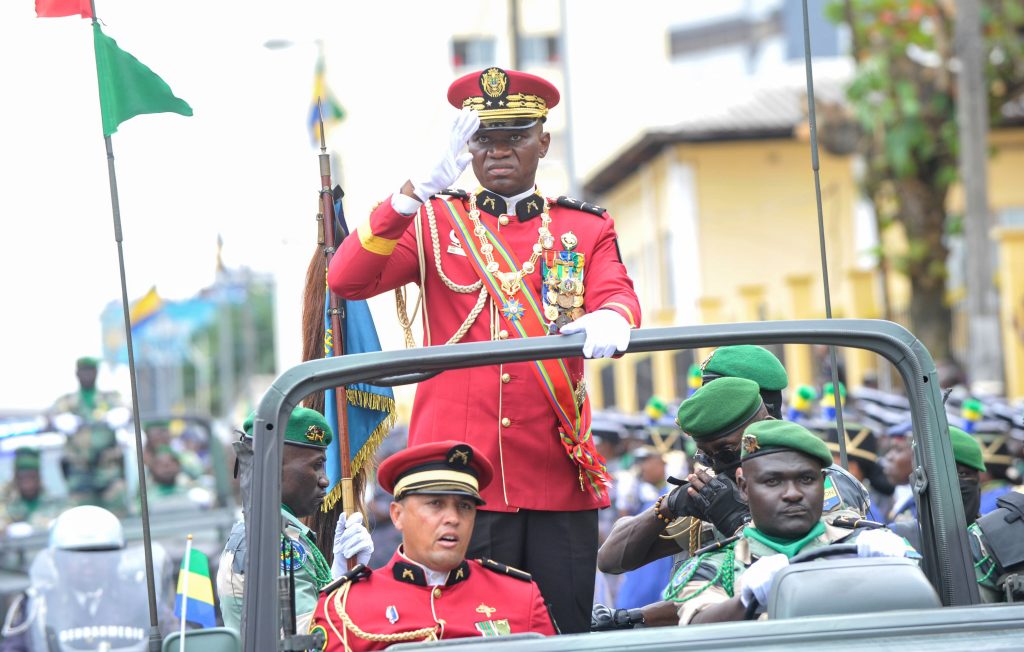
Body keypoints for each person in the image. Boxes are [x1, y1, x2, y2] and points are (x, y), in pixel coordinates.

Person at [327, 66, 641, 633]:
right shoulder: (432, 221)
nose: (498, 152)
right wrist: (410, 193)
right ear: (466, 147)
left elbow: (616, 292)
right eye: (483, 140)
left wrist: (613, 316)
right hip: (458, 481)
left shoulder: (582, 228)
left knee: (565, 632)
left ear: (543, 141)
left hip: (554, 475)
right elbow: (347, 278)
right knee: (460, 633)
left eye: (515, 137)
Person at [593, 377, 874, 629]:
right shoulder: (719, 488)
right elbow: (612, 560)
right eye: (707, 456)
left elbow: (807, 574)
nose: (718, 466)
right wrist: (668, 506)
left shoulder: (821, 482)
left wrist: (737, 522)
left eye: (727, 453)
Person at [311, 440, 557, 649]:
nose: (452, 518)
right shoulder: (347, 606)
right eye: (436, 504)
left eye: (465, 506)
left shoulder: (520, 597)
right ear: (397, 515)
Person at [668, 420, 917, 625]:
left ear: (822, 482)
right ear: (744, 487)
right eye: (773, 481)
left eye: (806, 479)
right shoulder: (716, 568)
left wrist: (901, 572)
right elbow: (697, 627)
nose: (793, 493)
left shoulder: (863, 548)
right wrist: (745, 600)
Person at [217, 407, 374, 633]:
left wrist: (340, 574)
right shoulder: (271, 540)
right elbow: (314, 636)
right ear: (272, 467)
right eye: (316, 465)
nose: (325, 480)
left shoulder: (276, 531)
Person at [1, 505, 177, 651]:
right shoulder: (39, 604)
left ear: (117, 558)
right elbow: (13, 648)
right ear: (56, 560)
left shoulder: (141, 599)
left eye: (99, 553)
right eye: (76, 555)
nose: (87, 563)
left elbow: (178, 640)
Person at [0, 447, 63, 535]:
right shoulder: (7, 503)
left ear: (39, 477)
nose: (27, 483)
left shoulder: (56, 503)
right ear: (16, 479)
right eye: (22, 478)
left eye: (31, 477)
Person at [48, 356, 122, 422]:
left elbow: (127, 409)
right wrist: (59, 420)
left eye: (90, 371)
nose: (87, 375)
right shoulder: (66, 400)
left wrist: (120, 415)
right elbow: (49, 416)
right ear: (77, 373)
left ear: (96, 373)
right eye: (83, 371)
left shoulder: (110, 397)